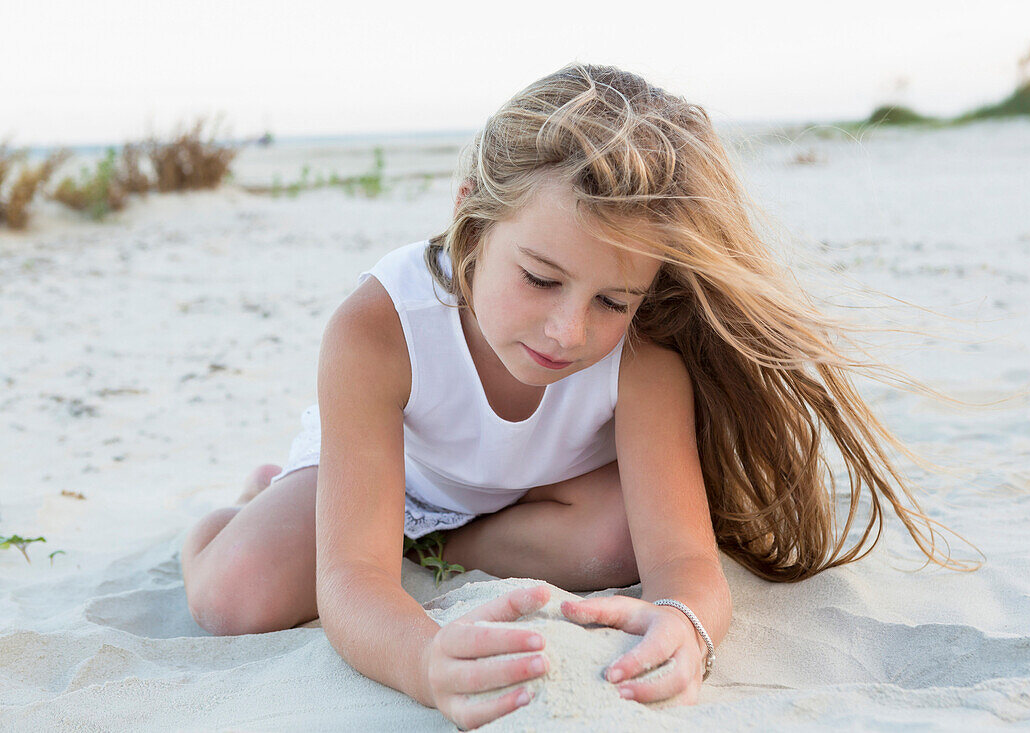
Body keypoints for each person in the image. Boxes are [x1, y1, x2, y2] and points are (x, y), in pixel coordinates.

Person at [181, 63, 969, 729]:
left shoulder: (644, 350)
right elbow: (353, 581)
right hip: (392, 477)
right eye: (540, 278)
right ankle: (242, 509)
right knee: (234, 598)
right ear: (472, 223)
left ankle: (439, 546)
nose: (568, 330)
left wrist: (688, 626)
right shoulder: (379, 326)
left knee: (614, 542)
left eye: (612, 300)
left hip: (534, 498)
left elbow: (684, 559)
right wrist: (425, 659)